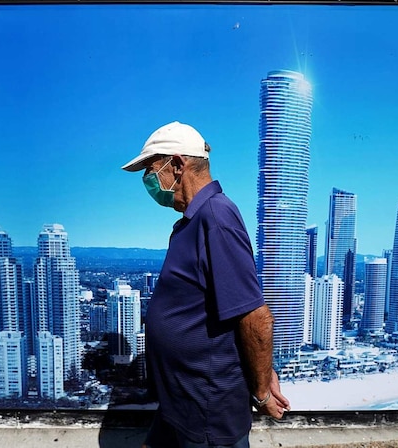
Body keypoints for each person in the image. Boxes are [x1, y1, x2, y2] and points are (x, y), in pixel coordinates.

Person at [122, 121, 290, 448]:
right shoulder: (193, 222)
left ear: (178, 164)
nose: (147, 181)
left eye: (150, 170)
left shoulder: (216, 217)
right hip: (182, 402)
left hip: (208, 414)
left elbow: (255, 317)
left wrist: (260, 392)